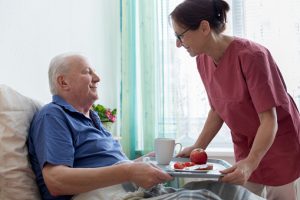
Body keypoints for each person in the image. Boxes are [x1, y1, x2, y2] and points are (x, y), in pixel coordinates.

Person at [170, 0, 300, 200]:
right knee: (242, 196)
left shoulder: (252, 55)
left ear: (204, 27)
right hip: (246, 142)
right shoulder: (202, 60)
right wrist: (198, 147)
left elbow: (269, 120)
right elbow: (217, 109)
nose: (178, 43)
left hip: (276, 140)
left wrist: (251, 162)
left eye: (180, 35)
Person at [27, 53, 173, 200]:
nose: (97, 78)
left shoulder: (93, 118)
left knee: (194, 191)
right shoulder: (53, 115)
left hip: (128, 192)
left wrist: (145, 162)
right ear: (63, 82)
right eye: (87, 72)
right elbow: (56, 181)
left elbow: (110, 166)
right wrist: (128, 171)